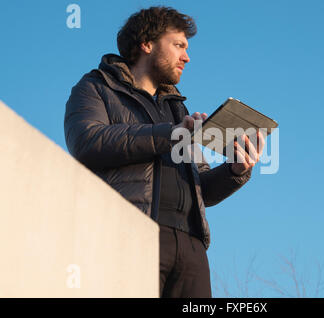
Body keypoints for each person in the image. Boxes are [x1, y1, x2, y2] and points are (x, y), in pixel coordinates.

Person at [64, 6, 265, 298]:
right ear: (147, 44)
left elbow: (203, 188)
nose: (187, 57)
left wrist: (235, 171)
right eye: (179, 45)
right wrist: (170, 134)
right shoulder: (96, 87)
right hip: (132, 235)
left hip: (192, 248)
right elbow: (87, 141)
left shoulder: (177, 108)